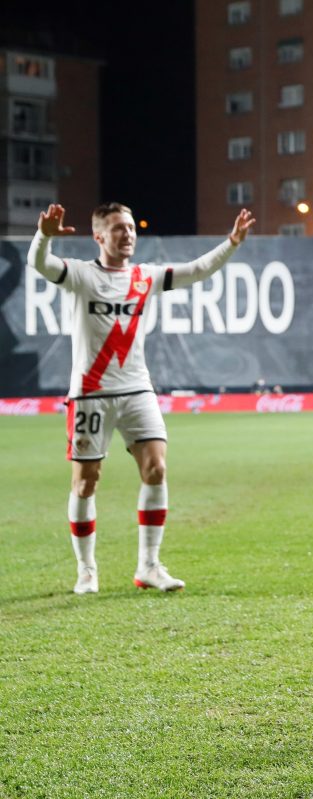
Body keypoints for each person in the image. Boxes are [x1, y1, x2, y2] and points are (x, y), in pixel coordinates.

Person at [28, 202, 255, 594]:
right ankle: (87, 571)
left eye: (131, 227)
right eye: (118, 228)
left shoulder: (145, 276)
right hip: (91, 395)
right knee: (85, 484)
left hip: (137, 389)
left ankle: (149, 565)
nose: (128, 234)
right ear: (99, 236)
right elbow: (40, 265)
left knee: (157, 470)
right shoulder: (81, 275)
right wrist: (44, 235)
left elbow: (198, 270)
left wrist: (231, 243)